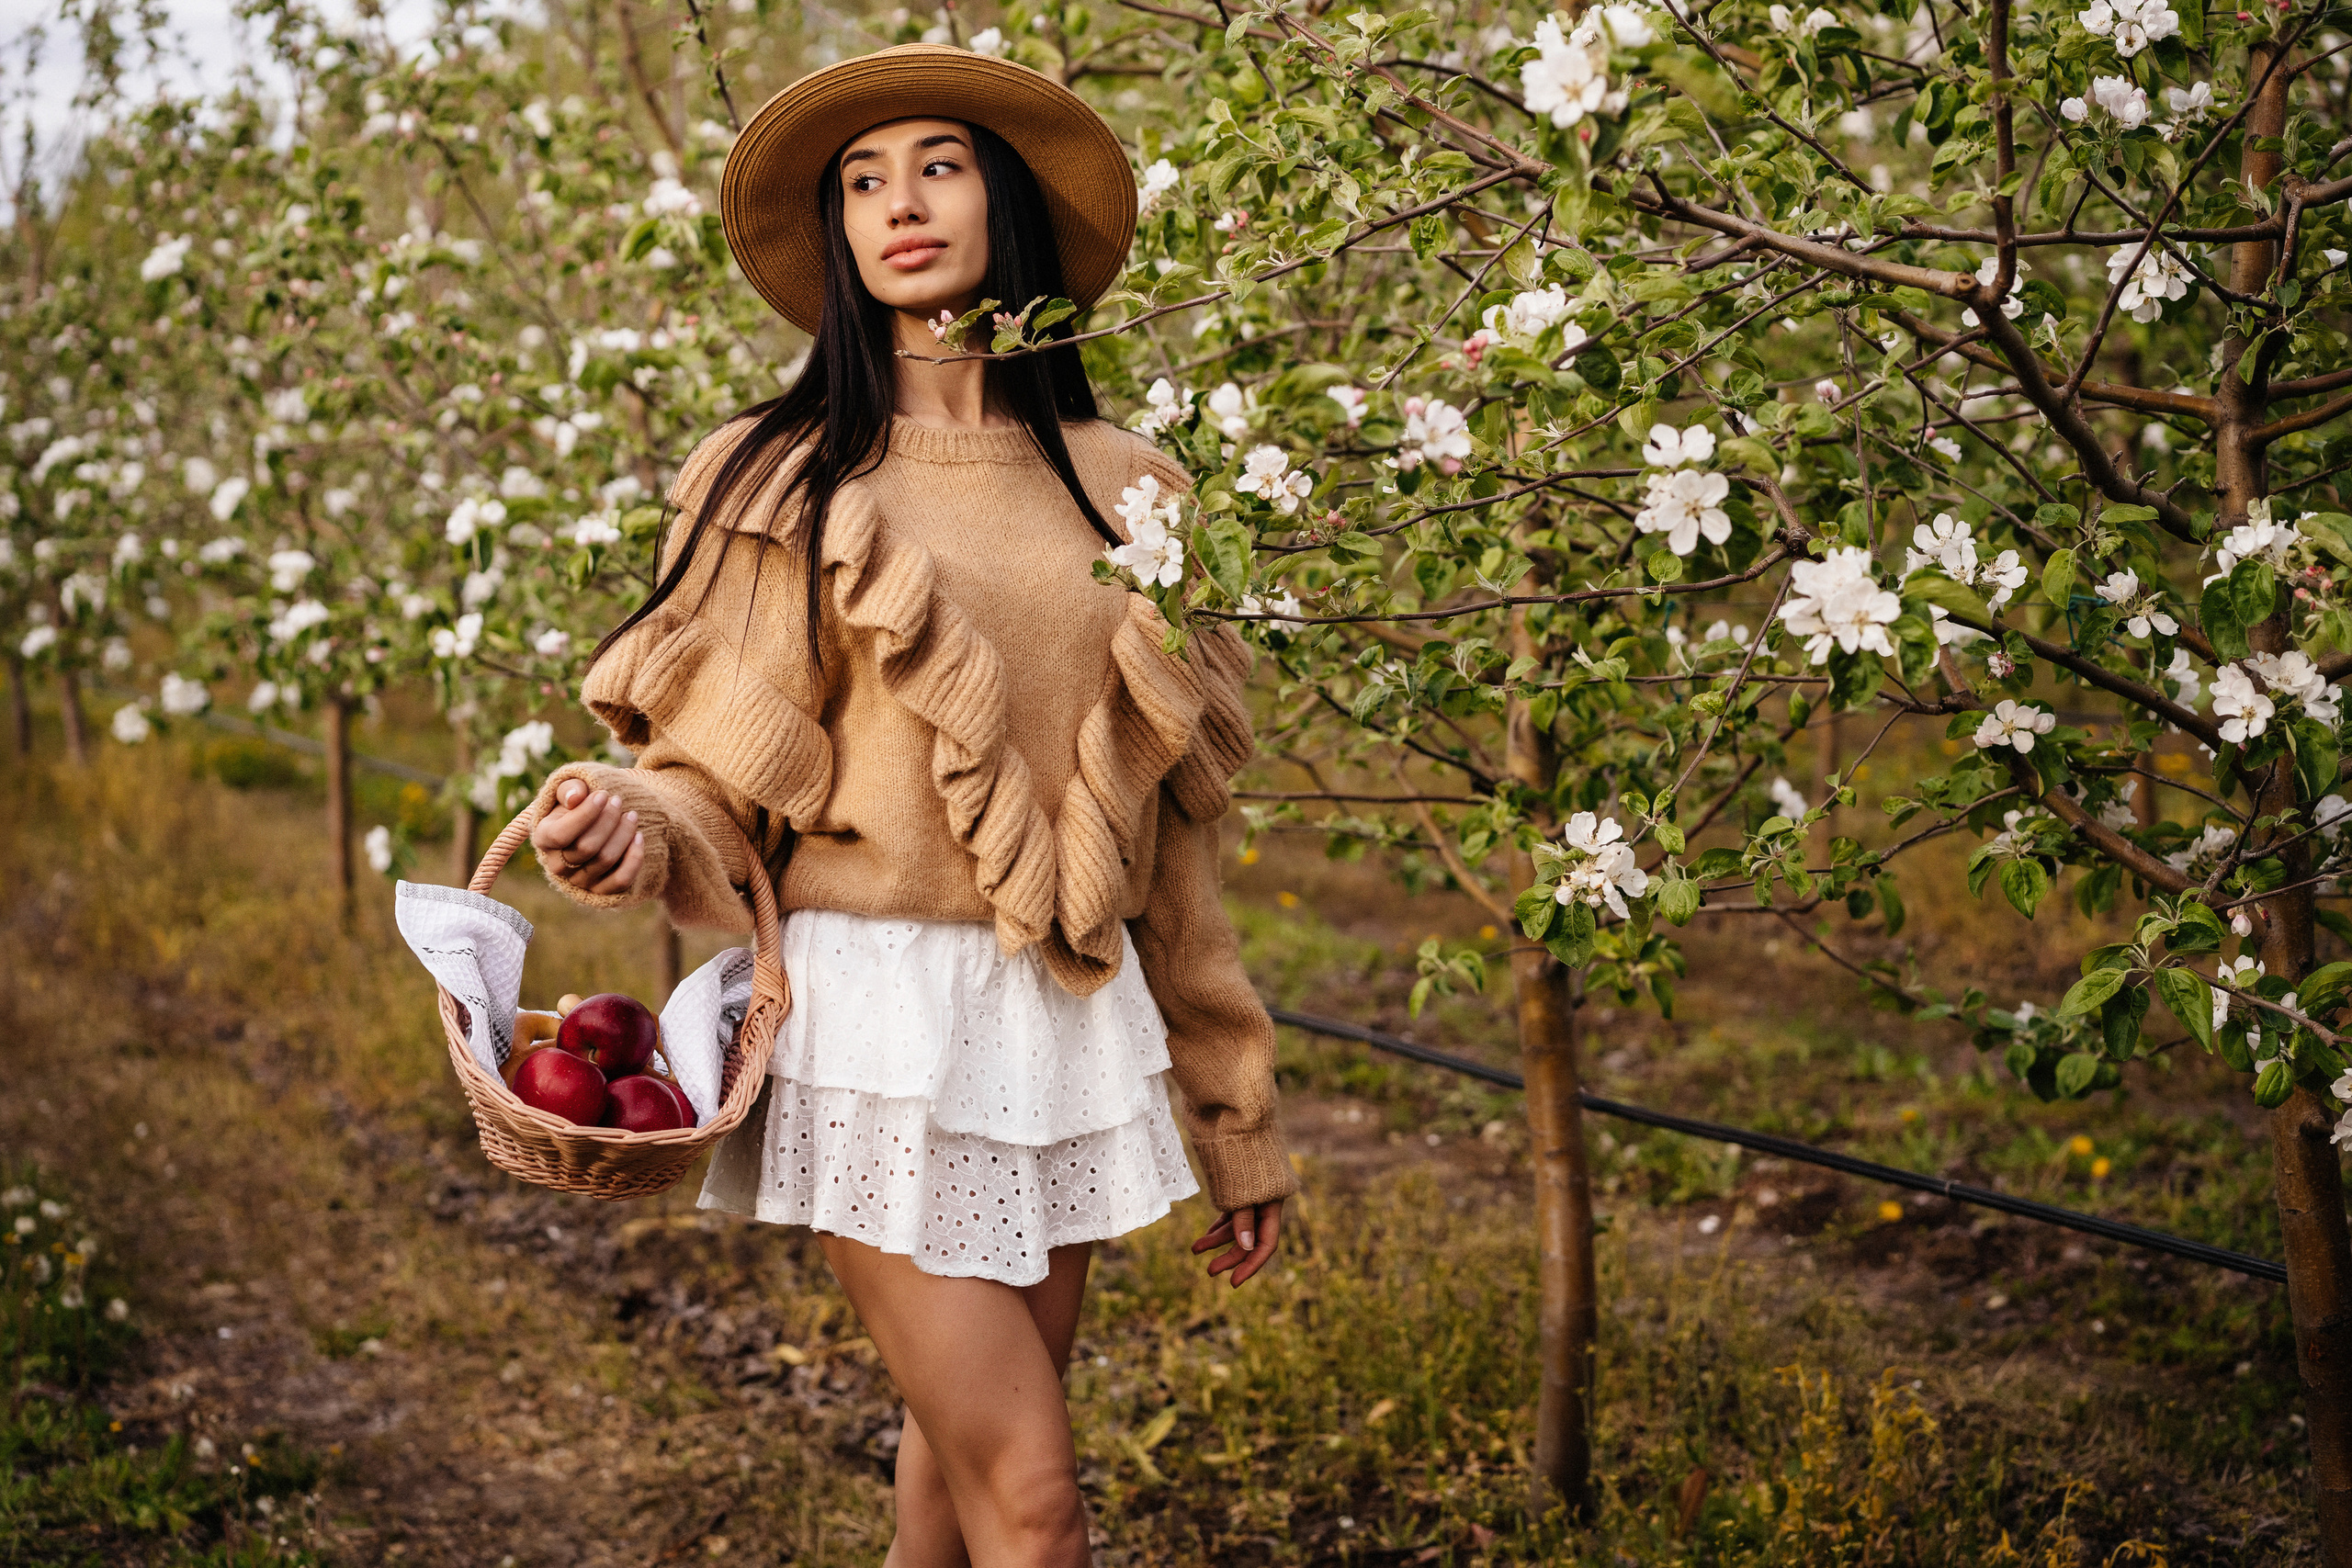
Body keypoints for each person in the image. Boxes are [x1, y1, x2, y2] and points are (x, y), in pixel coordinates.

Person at [522, 43, 1295, 1568]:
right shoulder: (779, 476)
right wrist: (627, 820)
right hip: (872, 1024)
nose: (900, 204)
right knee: (1039, 1499)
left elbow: (1175, 856)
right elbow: (716, 784)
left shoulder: (1135, 489)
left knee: (954, 1487)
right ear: (838, 236)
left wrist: (1238, 1118)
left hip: (1064, 1019)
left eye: (937, 164)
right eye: (862, 182)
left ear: (1005, 200)